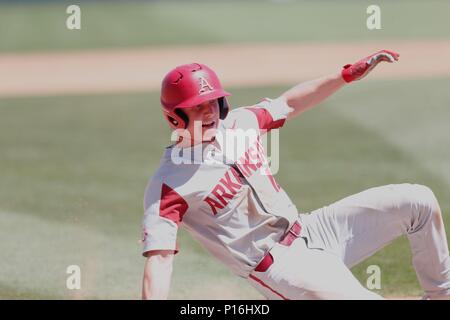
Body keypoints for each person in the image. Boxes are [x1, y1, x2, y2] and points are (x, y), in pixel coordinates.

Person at [140, 51, 450, 299]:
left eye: (213, 102)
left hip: (314, 229)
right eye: (197, 107)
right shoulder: (169, 184)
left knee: (418, 201)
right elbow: (160, 259)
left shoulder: (240, 123)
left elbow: (289, 102)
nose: (209, 112)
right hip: (280, 267)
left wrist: (345, 75)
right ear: (174, 116)